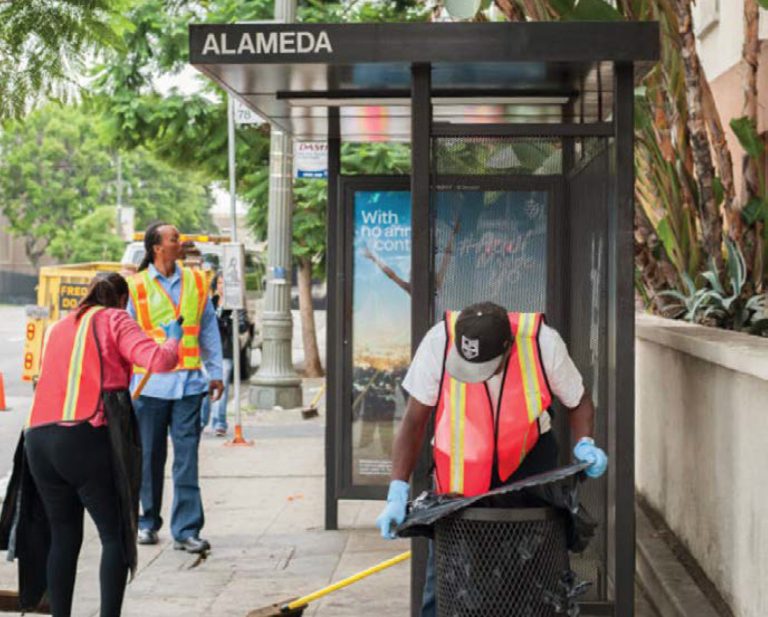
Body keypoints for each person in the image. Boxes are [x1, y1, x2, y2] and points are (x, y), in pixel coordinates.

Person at [375, 302, 608, 617]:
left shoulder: (542, 343)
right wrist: (397, 489)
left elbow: (578, 401)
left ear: (508, 348)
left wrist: (585, 444)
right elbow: (414, 421)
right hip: (459, 473)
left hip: (528, 469)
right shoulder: (438, 342)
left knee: (532, 575)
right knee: (448, 575)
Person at [10, 273, 181, 617]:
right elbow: (160, 361)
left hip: (39, 441)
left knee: (63, 535)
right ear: (121, 299)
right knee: (114, 535)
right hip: (84, 436)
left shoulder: (59, 327)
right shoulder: (115, 318)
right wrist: (172, 338)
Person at [127, 222, 224, 553]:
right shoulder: (136, 286)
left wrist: (215, 371)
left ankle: (186, 529)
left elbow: (208, 326)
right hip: (150, 385)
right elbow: (126, 336)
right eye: (174, 239)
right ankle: (146, 522)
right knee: (150, 457)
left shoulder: (197, 281)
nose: (181, 242)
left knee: (187, 458)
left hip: (189, 385)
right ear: (157, 247)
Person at [199, 272, 249, 436]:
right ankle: (202, 420)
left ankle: (219, 422)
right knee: (205, 386)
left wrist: (228, 321)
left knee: (222, 386)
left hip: (226, 350)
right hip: (208, 352)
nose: (222, 287)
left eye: (225, 284)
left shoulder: (235, 305)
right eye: (219, 283)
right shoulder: (210, 302)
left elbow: (243, 326)